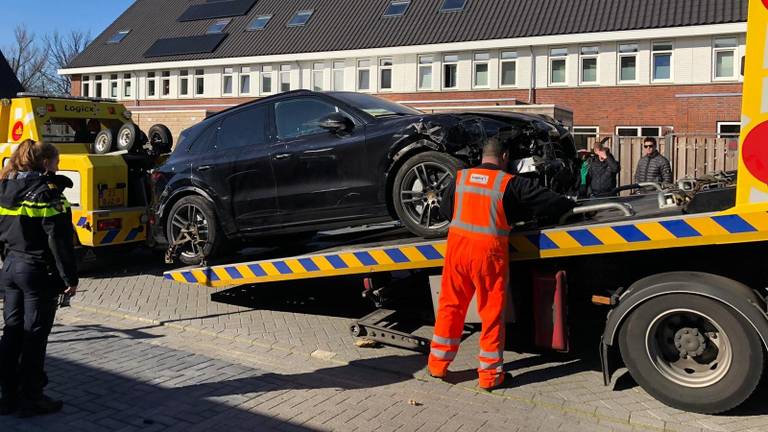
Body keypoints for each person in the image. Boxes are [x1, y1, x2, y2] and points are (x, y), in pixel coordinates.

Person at [429, 137, 575, 391]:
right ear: (505, 156)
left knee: (450, 306)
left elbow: (444, 211)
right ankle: (489, 376)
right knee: (491, 314)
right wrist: (569, 204)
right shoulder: (509, 183)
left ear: (483, 156)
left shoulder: (460, 178)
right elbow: (550, 202)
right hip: (488, 255)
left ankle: (437, 365)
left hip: (457, 251)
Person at [0, 139, 78, 417]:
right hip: (37, 272)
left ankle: (7, 396)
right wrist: (70, 278)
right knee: (34, 337)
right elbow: (59, 241)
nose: (58, 168)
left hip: (10, 269)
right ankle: (31, 399)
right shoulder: (48, 193)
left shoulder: (4, 188)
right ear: (45, 163)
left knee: (12, 333)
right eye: (56, 162)